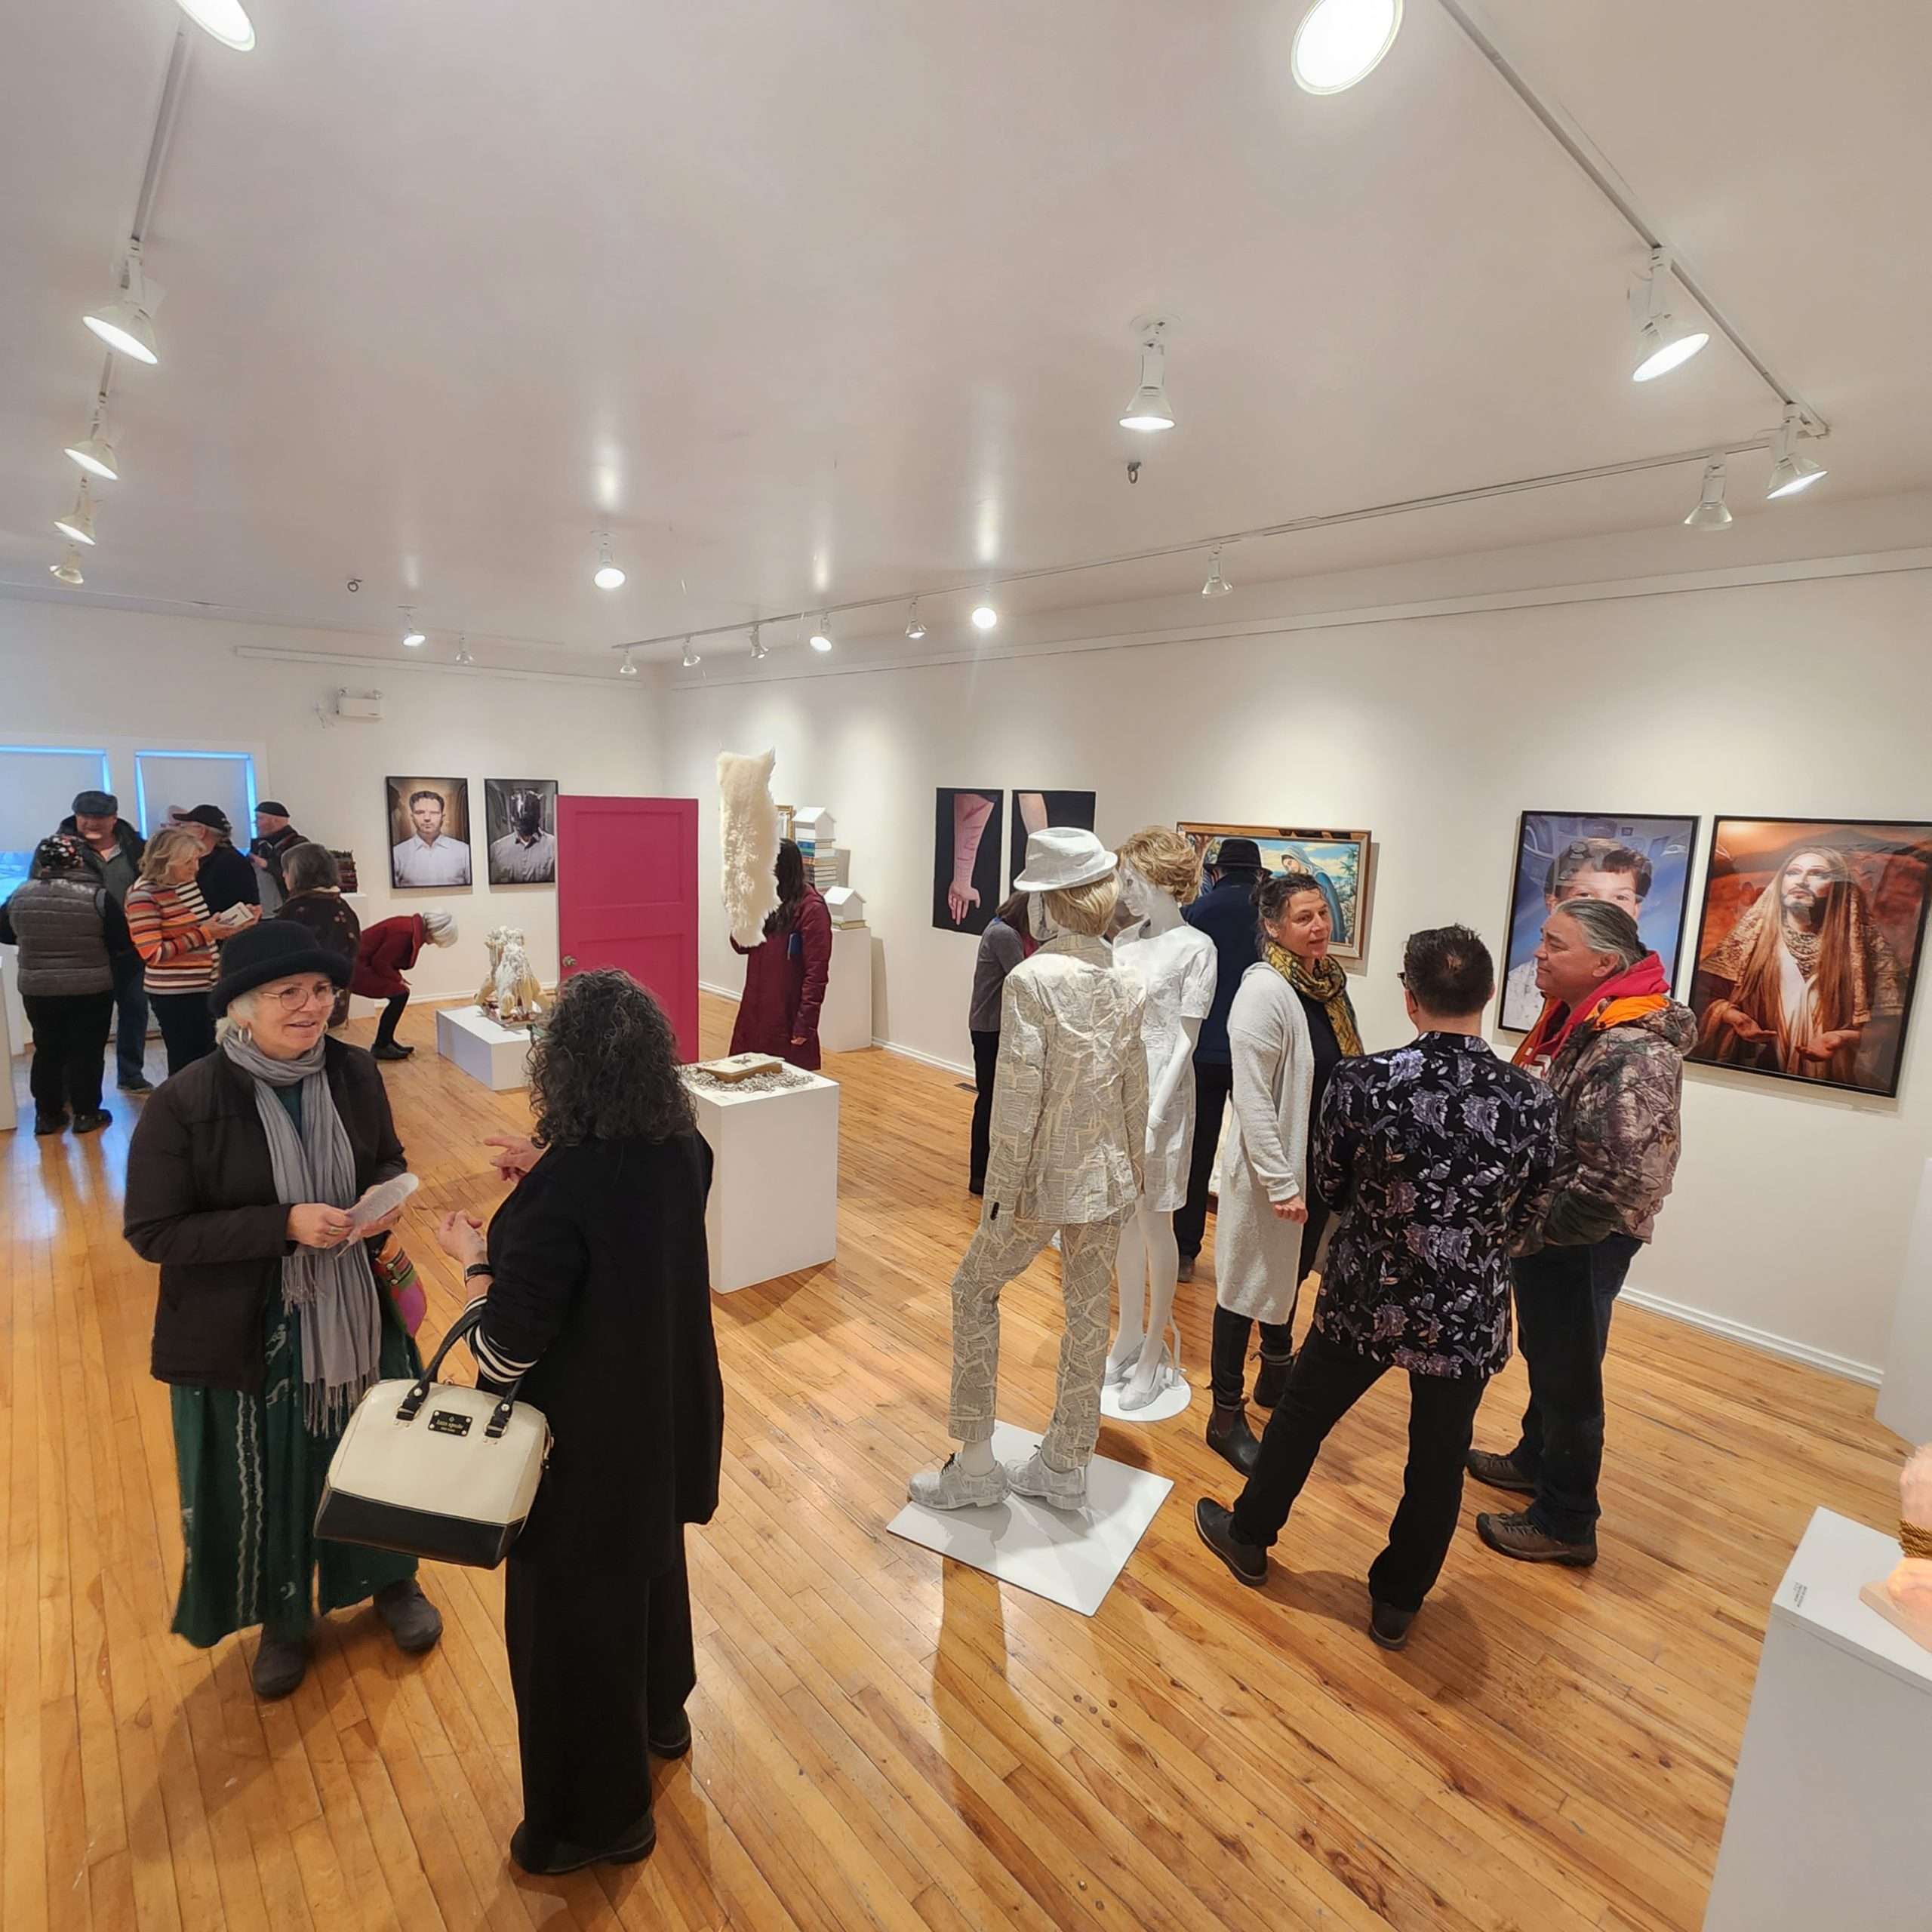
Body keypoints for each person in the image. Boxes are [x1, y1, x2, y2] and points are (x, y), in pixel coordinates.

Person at [1195, 927, 1558, 1649]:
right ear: (1490, 995)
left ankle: (1249, 1535)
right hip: (1466, 1308)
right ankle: (1397, 1601)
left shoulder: (1365, 1083)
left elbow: (1330, 1184)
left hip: (1369, 1292)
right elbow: (1532, 1212)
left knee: (1301, 1419)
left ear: (1410, 998)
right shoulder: (1532, 1100)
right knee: (1439, 1456)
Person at [433, 970, 721, 1875]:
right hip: (665, 1418)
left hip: (582, 1457)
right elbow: (626, 1230)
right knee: (651, 1570)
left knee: (571, 1632)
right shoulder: (683, 1146)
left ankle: (600, 1823)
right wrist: (544, 1166)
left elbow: (503, 1355)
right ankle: (661, 1715)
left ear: (559, 1070)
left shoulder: (560, 1197)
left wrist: (476, 1261)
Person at [122, 921, 438, 1700]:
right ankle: (284, 1617)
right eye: (287, 992)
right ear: (240, 1008)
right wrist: (282, 1224)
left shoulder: (353, 1071)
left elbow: (387, 1157)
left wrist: (381, 1198)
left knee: (374, 1449)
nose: (311, 1006)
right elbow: (154, 1231)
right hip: (249, 1329)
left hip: (355, 1312)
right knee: (272, 1473)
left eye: (322, 990)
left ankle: (391, 1577)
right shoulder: (187, 1100)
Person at [909, 829, 1148, 1511]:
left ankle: (976, 1464)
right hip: (1107, 1179)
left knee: (972, 1291)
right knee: (1086, 1314)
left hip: (1042, 1182)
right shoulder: (1128, 981)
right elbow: (1136, 1091)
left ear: (1049, 904)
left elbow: (1017, 1101)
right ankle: (1066, 1463)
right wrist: (1134, 1172)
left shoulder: (1032, 981)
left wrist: (999, 1194)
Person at [1469, 899, 1695, 1566]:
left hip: (1580, 1235)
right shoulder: (1587, 1021)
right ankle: (1534, 1459)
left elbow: (1624, 1177)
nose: (1538, 954)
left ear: (1603, 963)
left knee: (1570, 1373)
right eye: (1542, 939)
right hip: (1560, 1228)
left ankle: (1566, 1521)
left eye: (1555, 945)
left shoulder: (1631, 1047)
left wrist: (1543, 1230)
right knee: (1551, 1353)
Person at [1207, 870, 1364, 1475]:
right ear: (1272, 927)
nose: (1319, 926)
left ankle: (1276, 1371)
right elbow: (1251, 1100)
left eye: (1322, 913)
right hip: (1273, 1173)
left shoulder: (1328, 985)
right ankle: (1224, 1415)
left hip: (1318, 1166)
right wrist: (1279, 1180)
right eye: (1303, 918)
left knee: (1290, 1273)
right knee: (1242, 1287)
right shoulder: (1265, 994)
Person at [1105, 827, 1217, 1410]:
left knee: (1155, 1223)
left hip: (1164, 1100)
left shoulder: (1197, 949)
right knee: (1123, 1221)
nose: (1125, 892)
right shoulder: (1124, 942)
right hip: (1119, 1091)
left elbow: (1185, 1040)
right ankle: (1126, 1333)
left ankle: (1155, 1345)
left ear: (1162, 880)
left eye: (1133, 880)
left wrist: (1153, 1112)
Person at [1693, 844, 1904, 1088]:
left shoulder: (1861, 950)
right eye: (1793, 872)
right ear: (1781, 882)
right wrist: (1735, 1018)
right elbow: (1703, 995)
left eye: (1817, 874)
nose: (1802, 881)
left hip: (1835, 1084)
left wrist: (1843, 1038)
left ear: (1837, 888)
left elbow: (1890, 1022)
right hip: (1759, 1077)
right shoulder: (1750, 943)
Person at [1175, 836, 1266, 1281]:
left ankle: (1185, 1251)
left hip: (1204, 1047)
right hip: (1255, 1049)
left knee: (1197, 1152)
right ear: (1259, 875)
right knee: (1252, 1156)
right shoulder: (1269, 916)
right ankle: (1244, 1261)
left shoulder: (1197, 912)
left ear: (1217, 871)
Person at [0, 835, 131, 1136]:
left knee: (47, 1049)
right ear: (80, 861)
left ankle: (47, 1115)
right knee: (88, 1050)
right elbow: (121, 942)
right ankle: (86, 1113)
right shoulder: (97, 896)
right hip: (91, 987)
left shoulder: (20, 895)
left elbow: (4, 932)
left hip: (38, 988)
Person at [126, 826, 259, 1074]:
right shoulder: (142, 895)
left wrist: (230, 925)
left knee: (211, 1058)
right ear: (166, 862)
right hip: (176, 992)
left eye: (196, 860)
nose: (195, 868)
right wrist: (207, 932)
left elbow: (198, 929)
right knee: (187, 1063)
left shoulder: (185, 884)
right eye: (188, 862)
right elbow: (153, 953)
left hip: (206, 984)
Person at [1501, 838, 1654, 1032]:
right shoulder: (1516, 988)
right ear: (1554, 903)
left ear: (1635, 910)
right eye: (1585, 895)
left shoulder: (1641, 1016)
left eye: (1620, 897)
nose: (1603, 908)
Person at [60, 787, 152, 1094]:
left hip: (132, 947)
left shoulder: (138, 849)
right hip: (84, 949)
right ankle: (80, 1085)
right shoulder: (59, 849)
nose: (91, 823)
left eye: (98, 817)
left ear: (114, 819)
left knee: (135, 1010)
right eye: (84, 816)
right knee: (85, 1020)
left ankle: (131, 1074)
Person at [728, 838, 832, 1069]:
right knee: (746, 1075)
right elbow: (741, 945)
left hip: (787, 1013)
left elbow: (816, 973)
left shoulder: (812, 908)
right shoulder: (767, 901)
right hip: (755, 1008)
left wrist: (806, 1023)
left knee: (786, 1079)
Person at [965, 889, 1035, 1194]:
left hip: (993, 1026)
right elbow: (1024, 977)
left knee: (994, 1099)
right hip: (991, 1028)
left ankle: (989, 1173)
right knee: (990, 1099)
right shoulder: (1004, 935)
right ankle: (980, 1175)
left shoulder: (1000, 928)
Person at [275, 843, 361, 1028]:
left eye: (286, 870)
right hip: (334, 1000)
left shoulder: (297, 911)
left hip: (302, 1005)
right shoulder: (342, 907)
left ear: (299, 873)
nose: (283, 875)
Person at [352, 909, 458, 1060]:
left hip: (361, 963)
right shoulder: (405, 933)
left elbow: (384, 960)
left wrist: (397, 978)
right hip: (357, 968)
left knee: (400, 993)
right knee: (400, 994)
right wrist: (397, 979)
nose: (435, 943)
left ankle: (386, 1041)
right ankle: (382, 1045)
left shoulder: (409, 927)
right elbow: (380, 962)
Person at [178, 805, 261, 918]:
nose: (181, 832)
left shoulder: (231, 863)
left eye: (184, 827)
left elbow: (245, 905)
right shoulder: (196, 859)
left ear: (201, 831)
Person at [391, 789, 472, 888]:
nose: (427, 818)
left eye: (434, 813)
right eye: (420, 812)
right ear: (412, 817)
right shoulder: (397, 854)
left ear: (442, 817)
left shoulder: (464, 851)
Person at [488, 789, 558, 884]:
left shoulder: (555, 846)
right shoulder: (496, 850)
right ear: (512, 817)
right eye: (521, 818)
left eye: (530, 815)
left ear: (538, 816)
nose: (525, 821)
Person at [249, 801, 306, 912]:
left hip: (290, 909)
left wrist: (267, 865)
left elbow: (302, 879)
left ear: (275, 820)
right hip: (261, 910)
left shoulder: (298, 845)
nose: (255, 823)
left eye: (259, 818)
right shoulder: (258, 845)